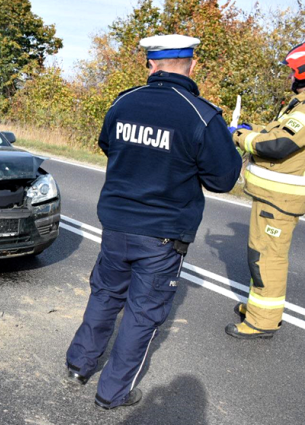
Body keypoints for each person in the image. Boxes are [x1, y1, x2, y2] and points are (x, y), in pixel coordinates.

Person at [64, 34, 241, 409]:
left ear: (151, 65)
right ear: (191, 66)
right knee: (142, 315)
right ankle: (112, 394)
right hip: (162, 235)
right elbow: (223, 180)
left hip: (115, 225)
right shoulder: (201, 115)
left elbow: (109, 145)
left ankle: (79, 364)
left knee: (105, 296)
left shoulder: (123, 102)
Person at [227, 42, 305, 339]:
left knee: (267, 258)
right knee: (258, 253)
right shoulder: (297, 103)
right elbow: (276, 131)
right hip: (272, 197)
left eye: (292, 72)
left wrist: (240, 136)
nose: (289, 78)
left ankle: (263, 322)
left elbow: (277, 145)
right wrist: (250, 128)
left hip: (281, 200)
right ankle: (259, 309)